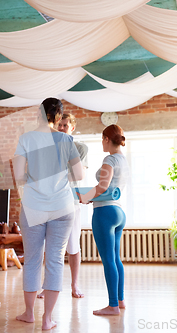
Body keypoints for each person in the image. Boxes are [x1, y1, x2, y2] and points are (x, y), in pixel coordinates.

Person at [14, 98, 84, 330]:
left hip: (33, 205)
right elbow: (79, 175)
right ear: (58, 116)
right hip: (62, 207)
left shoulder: (25, 138)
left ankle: (28, 313)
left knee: (32, 260)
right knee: (54, 260)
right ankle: (47, 319)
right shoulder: (65, 139)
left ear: (39, 114)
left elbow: (18, 175)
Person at [78, 124, 129, 316]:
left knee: (108, 260)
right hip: (118, 212)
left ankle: (112, 306)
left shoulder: (110, 159)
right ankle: (120, 300)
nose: (102, 142)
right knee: (115, 259)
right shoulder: (123, 160)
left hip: (105, 212)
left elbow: (102, 186)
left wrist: (84, 196)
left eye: (102, 139)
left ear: (107, 139)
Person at [38, 113, 88, 299]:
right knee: (49, 247)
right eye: (59, 125)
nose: (61, 128)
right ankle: (47, 286)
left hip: (71, 203)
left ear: (72, 128)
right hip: (51, 203)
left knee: (73, 246)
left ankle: (75, 285)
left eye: (65, 125)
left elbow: (77, 174)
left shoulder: (80, 148)